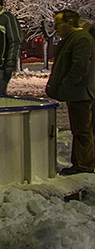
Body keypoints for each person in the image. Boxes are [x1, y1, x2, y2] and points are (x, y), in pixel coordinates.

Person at [45, 9, 95, 175]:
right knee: (80, 129)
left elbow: (80, 66)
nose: (56, 27)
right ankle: (81, 163)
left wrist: (66, 85)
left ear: (71, 22)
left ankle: (84, 165)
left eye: (59, 23)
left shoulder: (80, 39)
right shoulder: (74, 39)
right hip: (78, 92)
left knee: (82, 129)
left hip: (81, 92)